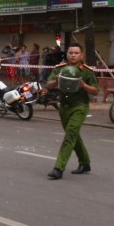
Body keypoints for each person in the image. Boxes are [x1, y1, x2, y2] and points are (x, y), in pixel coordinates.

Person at [46, 43, 99, 180]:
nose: (73, 55)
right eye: (70, 53)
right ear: (67, 54)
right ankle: (85, 163)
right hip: (64, 106)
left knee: (70, 135)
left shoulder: (87, 71)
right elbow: (48, 84)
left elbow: (95, 90)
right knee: (73, 135)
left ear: (81, 55)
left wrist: (84, 85)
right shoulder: (60, 69)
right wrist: (56, 81)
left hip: (79, 107)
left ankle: (58, 168)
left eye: (76, 53)